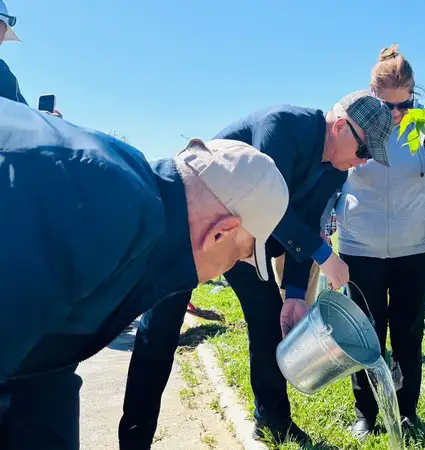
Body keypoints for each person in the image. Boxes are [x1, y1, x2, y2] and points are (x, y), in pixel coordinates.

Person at [0, 97, 290, 450]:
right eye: (240, 255)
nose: (228, 269)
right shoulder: (108, 217)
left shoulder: (133, 199)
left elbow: (45, 363)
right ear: (219, 233)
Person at [119, 90, 394, 448]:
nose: (363, 162)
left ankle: (272, 420)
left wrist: (295, 295)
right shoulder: (283, 126)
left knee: (269, 319)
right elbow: (268, 204)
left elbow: (308, 223)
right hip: (193, 228)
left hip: (247, 241)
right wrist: (325, 255)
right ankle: (135, 439)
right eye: (364, 151)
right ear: (341, 127)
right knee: (160, 329)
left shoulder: (336, 173)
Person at [331, 44, 425, 440]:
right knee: (364, 334)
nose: (394, 115)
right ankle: (366, 412)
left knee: (408, 332)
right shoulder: (348, 116)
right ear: (371, 95)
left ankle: (406, 412)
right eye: (386, 106)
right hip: (360, 246)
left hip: (414, 247)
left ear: (413, 95)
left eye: (403, 105)